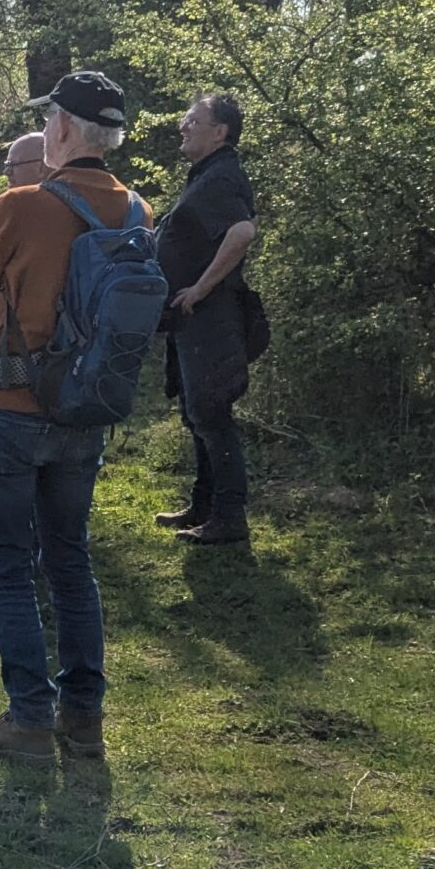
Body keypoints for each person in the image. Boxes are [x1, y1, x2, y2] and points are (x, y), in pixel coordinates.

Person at [0, 70, 138, 760]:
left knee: (5, 561)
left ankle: (28, 718)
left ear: (59, 127)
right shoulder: (136, 209)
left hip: (11, 404)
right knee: (70, 559)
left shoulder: (26, 204)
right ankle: (83, 718)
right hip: (86, 408)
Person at [156, 92, 260, 544]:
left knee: (211, 413)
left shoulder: (220, 177)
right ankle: (203, 506)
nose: (184, 126)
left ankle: (229, 517)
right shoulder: (205, 175)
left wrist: (200, 287)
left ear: (220, 132)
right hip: (192, 320)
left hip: (211, 318)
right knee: (196, 413)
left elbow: (242, 231)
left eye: (193, 120)